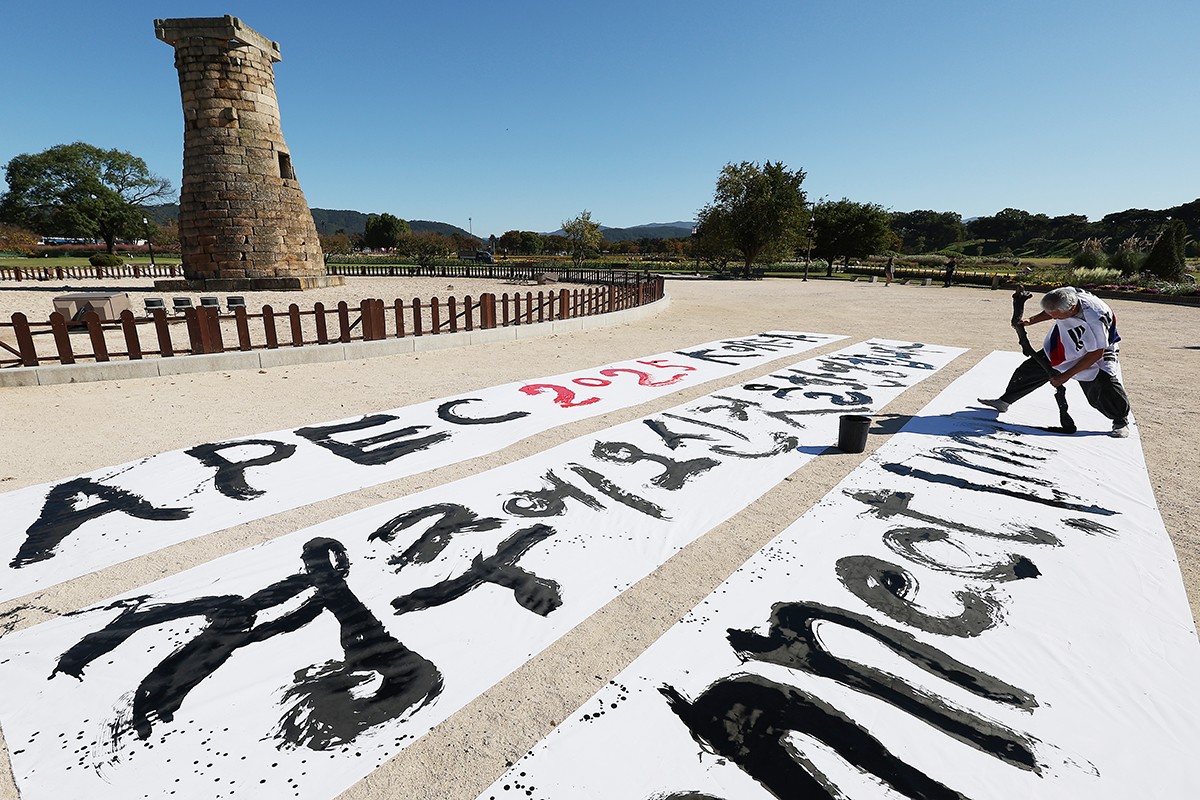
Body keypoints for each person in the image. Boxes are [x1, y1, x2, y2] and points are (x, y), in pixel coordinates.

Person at [979, 286, 1131, 438]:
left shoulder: (1095, 319)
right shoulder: (1066, 294)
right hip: (1068, 338)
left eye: (1056, 315)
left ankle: (1121, 421)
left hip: (1098, 350)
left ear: (1072, 308)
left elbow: (1096, 353)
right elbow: (1051, 310)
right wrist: (1031, 320)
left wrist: (1064, 376)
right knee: (1032, 369)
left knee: (1103, 385)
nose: (1053, 317)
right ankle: (1005, 401)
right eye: (1051, 315)